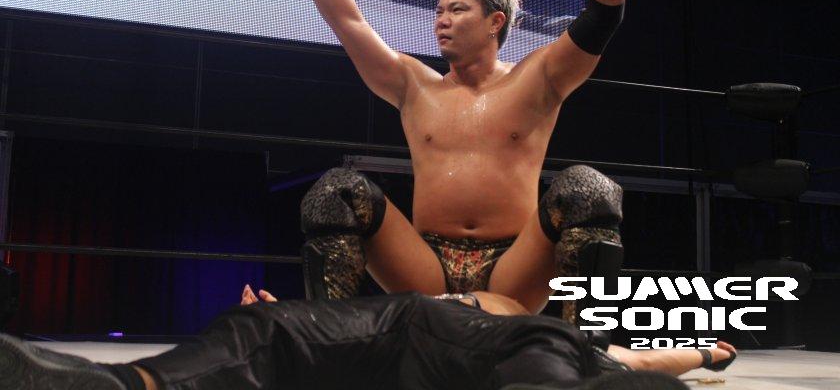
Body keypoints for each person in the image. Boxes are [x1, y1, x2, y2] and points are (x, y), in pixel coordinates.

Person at [263, 0, 632, 317]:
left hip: (513, 269)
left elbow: (601, 18)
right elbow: (348, 22)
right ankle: (328, 334)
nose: (441, 20)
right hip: (425, 266)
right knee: (336, 192)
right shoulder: (414, 86)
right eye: (439, 11)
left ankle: (584, 344)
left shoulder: (537, 79)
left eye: (457, 10)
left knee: (588, 188)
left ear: (495, 22)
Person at [0, 286, 737, 390]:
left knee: (269, 333)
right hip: (408, 336)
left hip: (485, 342)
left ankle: (116, 383)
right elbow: (639, 366)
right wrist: (704, 354)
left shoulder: (562, 344)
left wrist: (706, 354)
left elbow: (638, 362)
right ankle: (115, 383)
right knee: (270, 331)